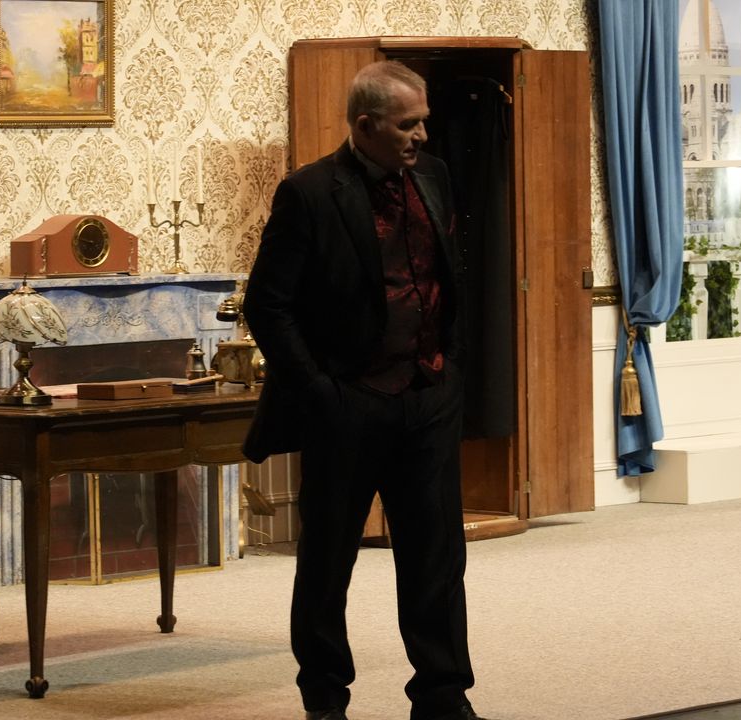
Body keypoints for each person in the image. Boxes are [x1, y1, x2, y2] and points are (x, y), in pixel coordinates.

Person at [241, 61, 488, 720]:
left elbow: (447, 281)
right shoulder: (309, 193)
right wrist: (322, 394)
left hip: (429, 397)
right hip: (349, 404)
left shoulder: (433, 176)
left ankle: (443, 696)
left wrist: (451, 372)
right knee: (328, 562)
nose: (421, 135)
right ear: (365, 125)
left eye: (423, 121)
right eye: (408, 125)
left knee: (437, 559)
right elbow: (268, 305)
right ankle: (325, 699)